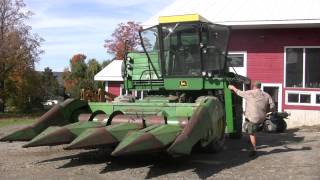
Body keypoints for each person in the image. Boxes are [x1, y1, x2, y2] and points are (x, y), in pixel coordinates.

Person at [228, 81, 275, 157]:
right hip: (262, 117)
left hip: (253, 118)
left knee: (251, 132)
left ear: (254, 86)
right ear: (260, 87)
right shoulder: (266, 95)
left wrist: (232, 87)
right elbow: (272, 106)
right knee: (248, 122)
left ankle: (253, 149)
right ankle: (252, 134)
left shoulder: (250, 93)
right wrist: (268, 112)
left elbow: (239, 92)